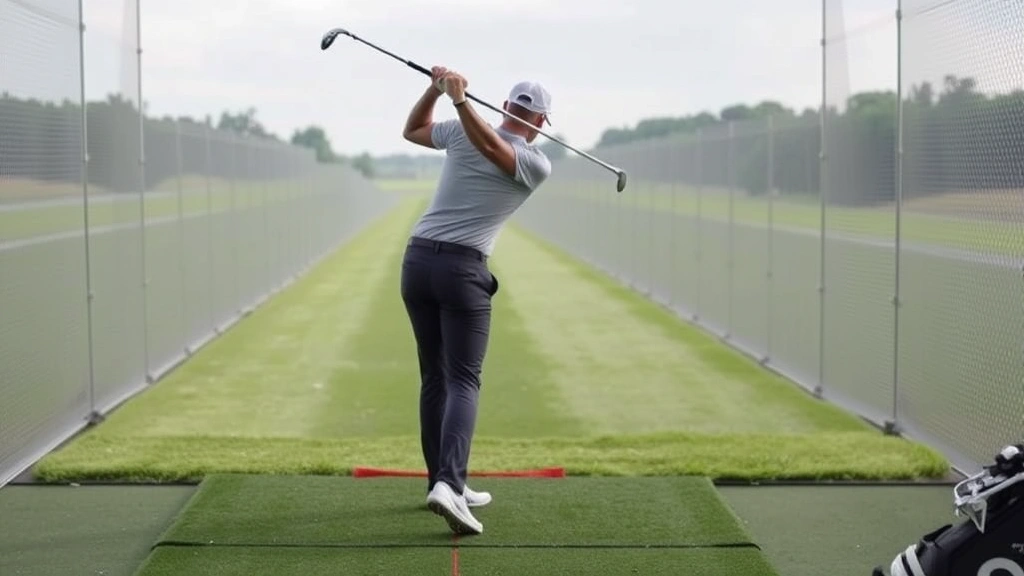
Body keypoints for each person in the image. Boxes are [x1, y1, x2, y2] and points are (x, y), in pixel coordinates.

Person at [399, 66, 553, 536]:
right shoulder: (537, 160)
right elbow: (416, 131)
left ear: (507, 106)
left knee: (435, 378)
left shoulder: (519, 157)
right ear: (542, 121)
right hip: (460, 271)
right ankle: (448, 483)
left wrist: (451, 98)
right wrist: (437, 90)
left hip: (417, 262)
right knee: (462, 379)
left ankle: (445, 482)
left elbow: (491, 148)